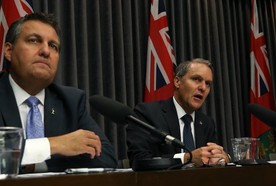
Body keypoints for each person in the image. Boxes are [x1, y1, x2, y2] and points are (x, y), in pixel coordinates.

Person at [0, 12, 117, 172]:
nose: (45, 51)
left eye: (53, 46)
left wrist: (39, 164)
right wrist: (53, 145)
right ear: (8, 51)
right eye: (34, 41)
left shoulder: (71, 101)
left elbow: (106, 158)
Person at [126, 58, 231, 167]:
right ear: (177, 81)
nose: (203, 88)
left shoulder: (206, 123)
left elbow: (212, 160)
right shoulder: (148, 113)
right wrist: (187, 158)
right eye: (196, 79)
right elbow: (139, 160)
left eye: (208, 84)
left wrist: (223, 157)